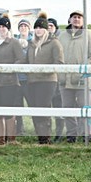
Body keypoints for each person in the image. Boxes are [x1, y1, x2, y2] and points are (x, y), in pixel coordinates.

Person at [58, 9, 91, 142]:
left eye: (79, 17)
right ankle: (71, 135)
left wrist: (81, 71)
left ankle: (85, 135)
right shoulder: (62, 36)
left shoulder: (89, 36)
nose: (76, 19)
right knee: (67, 109)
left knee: (84, 109)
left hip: (82, 81)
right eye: (74, 17)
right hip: (65, 80)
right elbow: (57, 57)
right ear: (69, 20)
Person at [0, 16, 25, 144]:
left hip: (9, 82)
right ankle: (0, 139)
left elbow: (21, 59)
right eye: (0, 27)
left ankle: (11, 138)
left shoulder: (14, 42)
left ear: (8, 29)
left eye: (4, 27)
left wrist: (9, 69)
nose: (1, 29)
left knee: (8, 111)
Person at [26, 13, 64, 144]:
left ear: (46, 29)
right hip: (32, 81)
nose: (38, 30)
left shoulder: (54, 43)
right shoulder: (31, 44)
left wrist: (45, 70)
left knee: (43, 107)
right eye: (36, 28)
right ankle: (40, 137)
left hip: (48, 81)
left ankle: (46, 138)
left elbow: (59, 62)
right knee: (34, 108)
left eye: (41, 28)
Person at [47, 16, 65, 140]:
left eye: (51, 26)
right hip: (47, 80)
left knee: (58, 107)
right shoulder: (41, 41)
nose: (49, 29)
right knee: (47, 107)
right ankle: (48, 132)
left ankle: (59, 133)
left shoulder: (59, 41)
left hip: (59, 80)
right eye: (47, 26)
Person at [15, 19, 33, 136]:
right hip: (17, 79)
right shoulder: (14, 42)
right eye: (21, 26)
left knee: (32, 103)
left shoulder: (33, 42)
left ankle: (37, 128)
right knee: (17, 105)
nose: (23, 28)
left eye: (25, 26)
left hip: (29, 80)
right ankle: (19, 129)